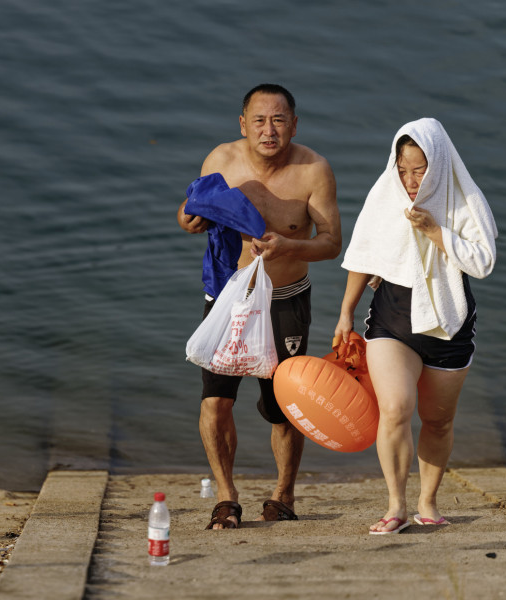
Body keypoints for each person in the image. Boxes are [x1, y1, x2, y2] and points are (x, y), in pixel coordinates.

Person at [177, 83, 341, 529]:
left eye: (279, 119)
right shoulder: (221, 160)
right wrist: (188, 220)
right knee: (216, 402)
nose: (269, 130)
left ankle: (283, 494)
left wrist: (288, 244)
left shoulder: (313, 170)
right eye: (260, 120)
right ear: (243, 124)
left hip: (286, 298)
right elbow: (190, 210)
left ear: (293, 123)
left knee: (284, 406)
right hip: (228, 297)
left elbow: (330, 244)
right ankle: (226, 497)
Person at [334, 118, 498, 534]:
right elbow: (363, 254)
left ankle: (428, 501)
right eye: (403, 168)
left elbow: (483, 262)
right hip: (392, 316)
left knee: (438, 420)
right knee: (394, 409)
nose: (409, 180)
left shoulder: (465, 200)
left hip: (449, 324)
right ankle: (396, 506)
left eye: (419, 169)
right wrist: (345, 313)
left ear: (438, 163)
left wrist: (435, 231)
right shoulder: (385, 192)